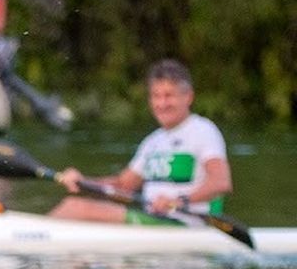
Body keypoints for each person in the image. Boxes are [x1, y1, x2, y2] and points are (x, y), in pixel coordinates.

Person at [50, 59, 231, 224]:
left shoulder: (203, 131)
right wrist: (83, 182)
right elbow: (123, 186)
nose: (162, 104)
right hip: (152, 220)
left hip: (186, 223)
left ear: (188, 97)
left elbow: (221, 183)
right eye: (156, 96)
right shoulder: (153, 141)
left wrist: (178, 201)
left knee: (75, 207)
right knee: (76, 206)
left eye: (169, 95)